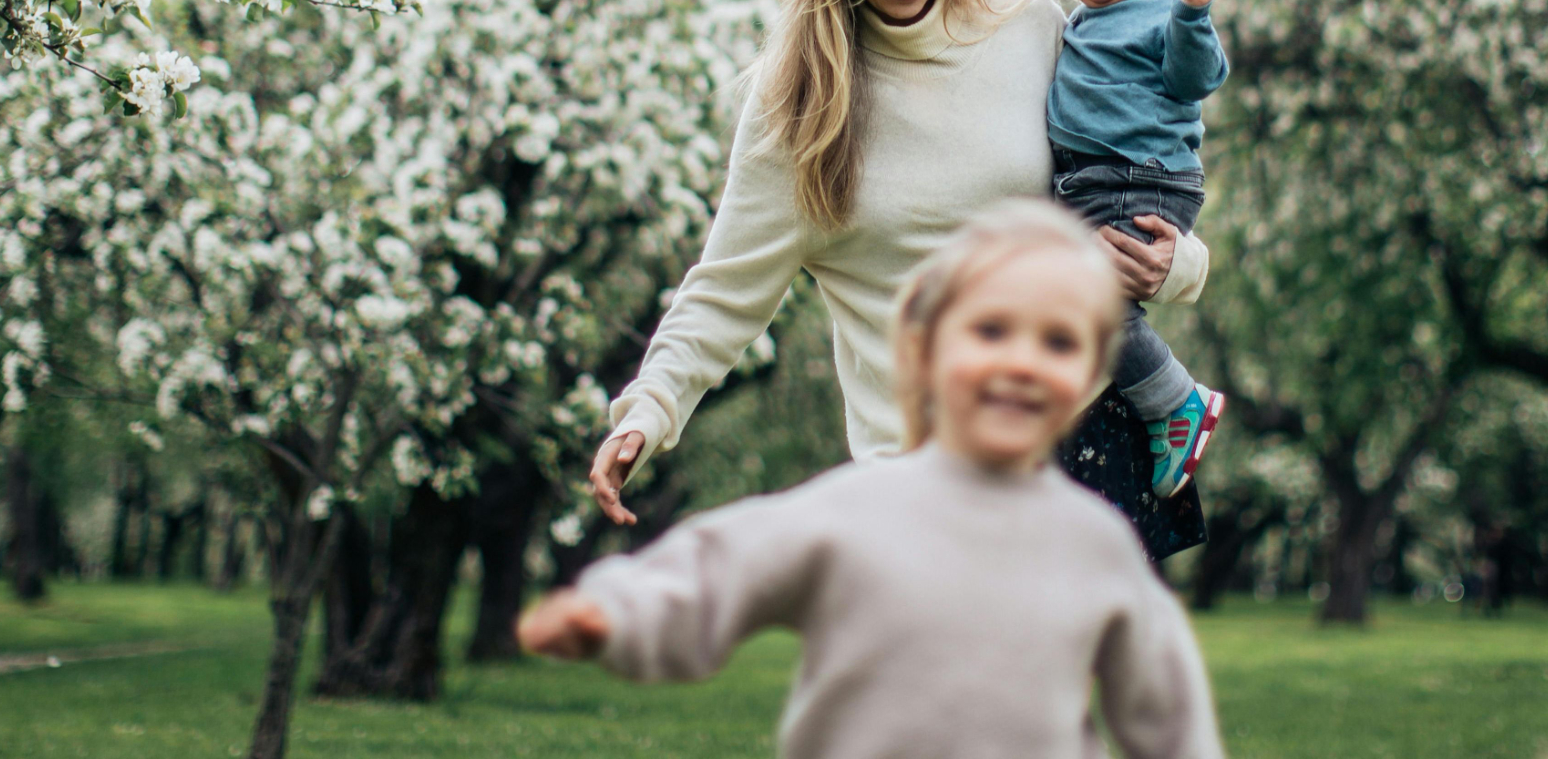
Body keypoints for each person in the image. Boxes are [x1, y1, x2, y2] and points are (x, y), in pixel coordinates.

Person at [585, 0, 1211, 531]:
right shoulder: (799, 103)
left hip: (1089, 443)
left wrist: (1177, 264)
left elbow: (1137, 165)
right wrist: (650, 408)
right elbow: (726, 289)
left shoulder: (1032, 25)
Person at [518, 201, 1227, 759]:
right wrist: (614, 614)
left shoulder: (1095, 543)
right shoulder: (856, 512)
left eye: (1059, 342)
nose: (1021, 362)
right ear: (924, 350)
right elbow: (719, 571)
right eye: (990, 331)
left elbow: (1166, 712)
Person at [1047, 0, 1230, 498]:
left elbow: (1196, 78)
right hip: (1100, 182)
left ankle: (1175, 402)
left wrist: (1192, 16)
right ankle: (1162, 403)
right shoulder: (1077, 20)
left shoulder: (1161, 13)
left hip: (1140, 181)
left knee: (1089, 300)